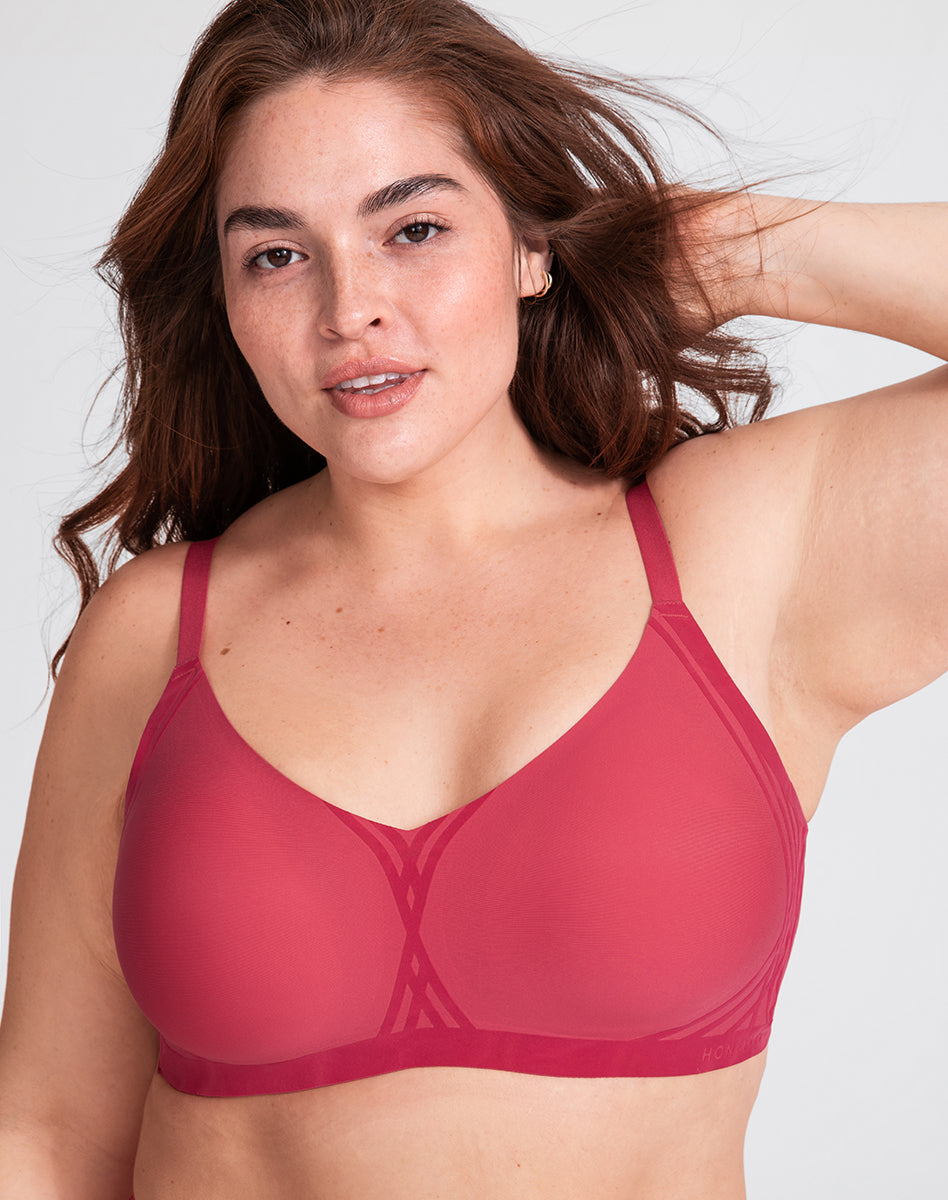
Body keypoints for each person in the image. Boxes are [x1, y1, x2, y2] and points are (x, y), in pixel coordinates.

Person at [0, 0, 945, 1197]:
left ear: (529, 246)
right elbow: (46, 1136)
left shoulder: (747, 556)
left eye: (416, 228)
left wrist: (734, 248)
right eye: (278, 255)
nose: (350, 309)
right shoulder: (153, 636)